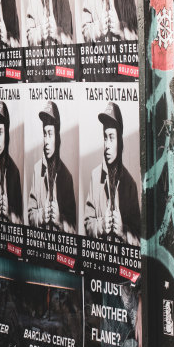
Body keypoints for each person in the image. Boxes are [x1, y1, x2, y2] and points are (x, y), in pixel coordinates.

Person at [84, 102, 141, 245]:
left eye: (111, 137)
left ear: (120, 141)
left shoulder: (130, 184)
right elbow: (87, 224)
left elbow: (140, 240)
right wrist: (101, 225)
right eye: (105, 137)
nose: (107, 145)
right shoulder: (95, 175)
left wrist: (123, 232)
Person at [28, 102, 77, 233]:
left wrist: (60, 221)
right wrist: (42, 215)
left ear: (57, 136)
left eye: (50, 133)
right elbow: (30, 214)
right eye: (44, 134)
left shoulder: (67, 176)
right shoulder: (37, 169)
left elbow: (73, 227)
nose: (46, 141)